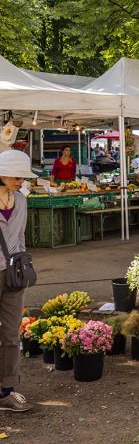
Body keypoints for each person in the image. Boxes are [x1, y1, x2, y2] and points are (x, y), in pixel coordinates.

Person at [0, 150, 35, 412]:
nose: (21, 180)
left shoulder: (22, 201)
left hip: (13, 274)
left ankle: (7, 391)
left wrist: (22, 268)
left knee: (12, 334)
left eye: (23, 176)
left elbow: (21, 238)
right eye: (16, 175)